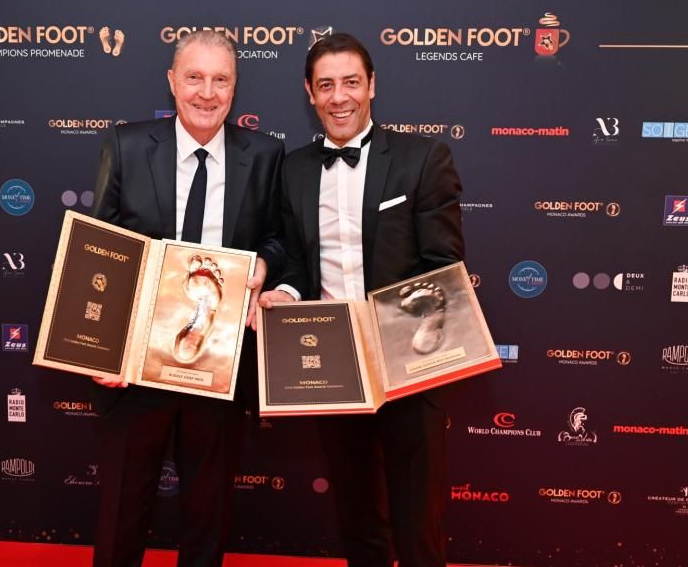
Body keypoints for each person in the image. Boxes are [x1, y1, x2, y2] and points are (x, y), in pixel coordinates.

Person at [259, 33, 464, 567]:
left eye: (351, 82)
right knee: (356, 517)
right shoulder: (295, 169)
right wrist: (285, 291)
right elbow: (298, 262)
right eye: (326, 85)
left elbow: (444, 266)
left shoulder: (423, 158)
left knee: (417, 523)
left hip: (411, 362)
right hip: (333, 367)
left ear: (372, 85)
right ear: (309, 93)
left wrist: (392, 330)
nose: (339, 97)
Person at [89, 29, 284, 567]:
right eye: (195, 77)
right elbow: (98, 251)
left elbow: (277, 236)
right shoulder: (126, 146)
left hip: (218, 364)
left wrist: (264, 264)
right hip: (136, 365)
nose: (207, 92)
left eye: (221, 80)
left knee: (208, 512)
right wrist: (101, 347)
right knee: (123, 509)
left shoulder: (264, 155)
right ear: (172, 82)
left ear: (234, 89)